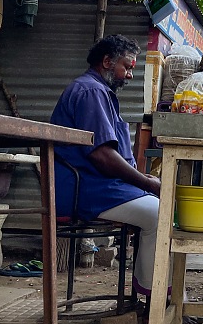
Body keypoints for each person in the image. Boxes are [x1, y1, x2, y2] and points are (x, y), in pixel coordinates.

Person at [51, 35, 162, 301]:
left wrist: (142, 179)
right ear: (107, 62)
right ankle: (156, 300)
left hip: (100, 187)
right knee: (159, 215)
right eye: (128, 66)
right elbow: (102, 156)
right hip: (87, 191)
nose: (131, 75)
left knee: (160, 207)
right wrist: (146, 183)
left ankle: (146, 293)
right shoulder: (92, 91)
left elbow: (112, 154)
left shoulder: (98, 91)